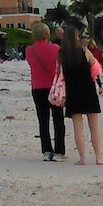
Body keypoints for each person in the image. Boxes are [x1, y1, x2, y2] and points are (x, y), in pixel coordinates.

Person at [59, 26, 103, 166]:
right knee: (94, 128)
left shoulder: (62, 55)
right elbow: (96, 70)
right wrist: (99, 83)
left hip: (72, 92)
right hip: (88, 90)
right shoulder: (85, 52)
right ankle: (98, 158)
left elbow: (60, 76)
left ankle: (83, 158)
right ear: (76, 37)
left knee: (77, 128)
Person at [24, 21, 65, 161]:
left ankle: (47, 150)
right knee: (58, 119)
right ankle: (59, 151)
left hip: (37, 87)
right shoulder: (55, 48)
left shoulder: (29, 50)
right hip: (53, 87)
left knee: (43, 120)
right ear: (47, 34)